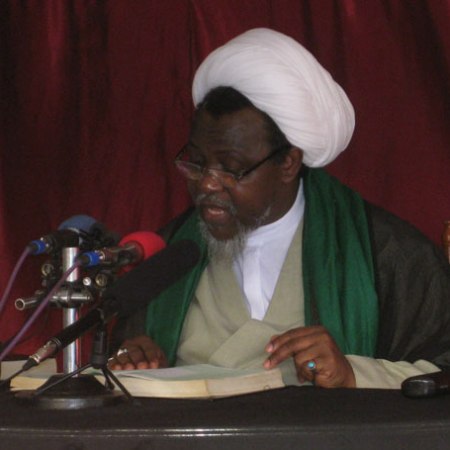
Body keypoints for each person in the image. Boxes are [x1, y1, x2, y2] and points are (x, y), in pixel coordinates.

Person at [109, 28, 450, 389]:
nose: (207, 184)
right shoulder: (167, 258)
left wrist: (354, 373)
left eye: (231, 168)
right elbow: (124, 366)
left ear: (288, 163)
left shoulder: (386, 254)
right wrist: (136, 362)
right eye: (197, 162)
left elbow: (443, 374)